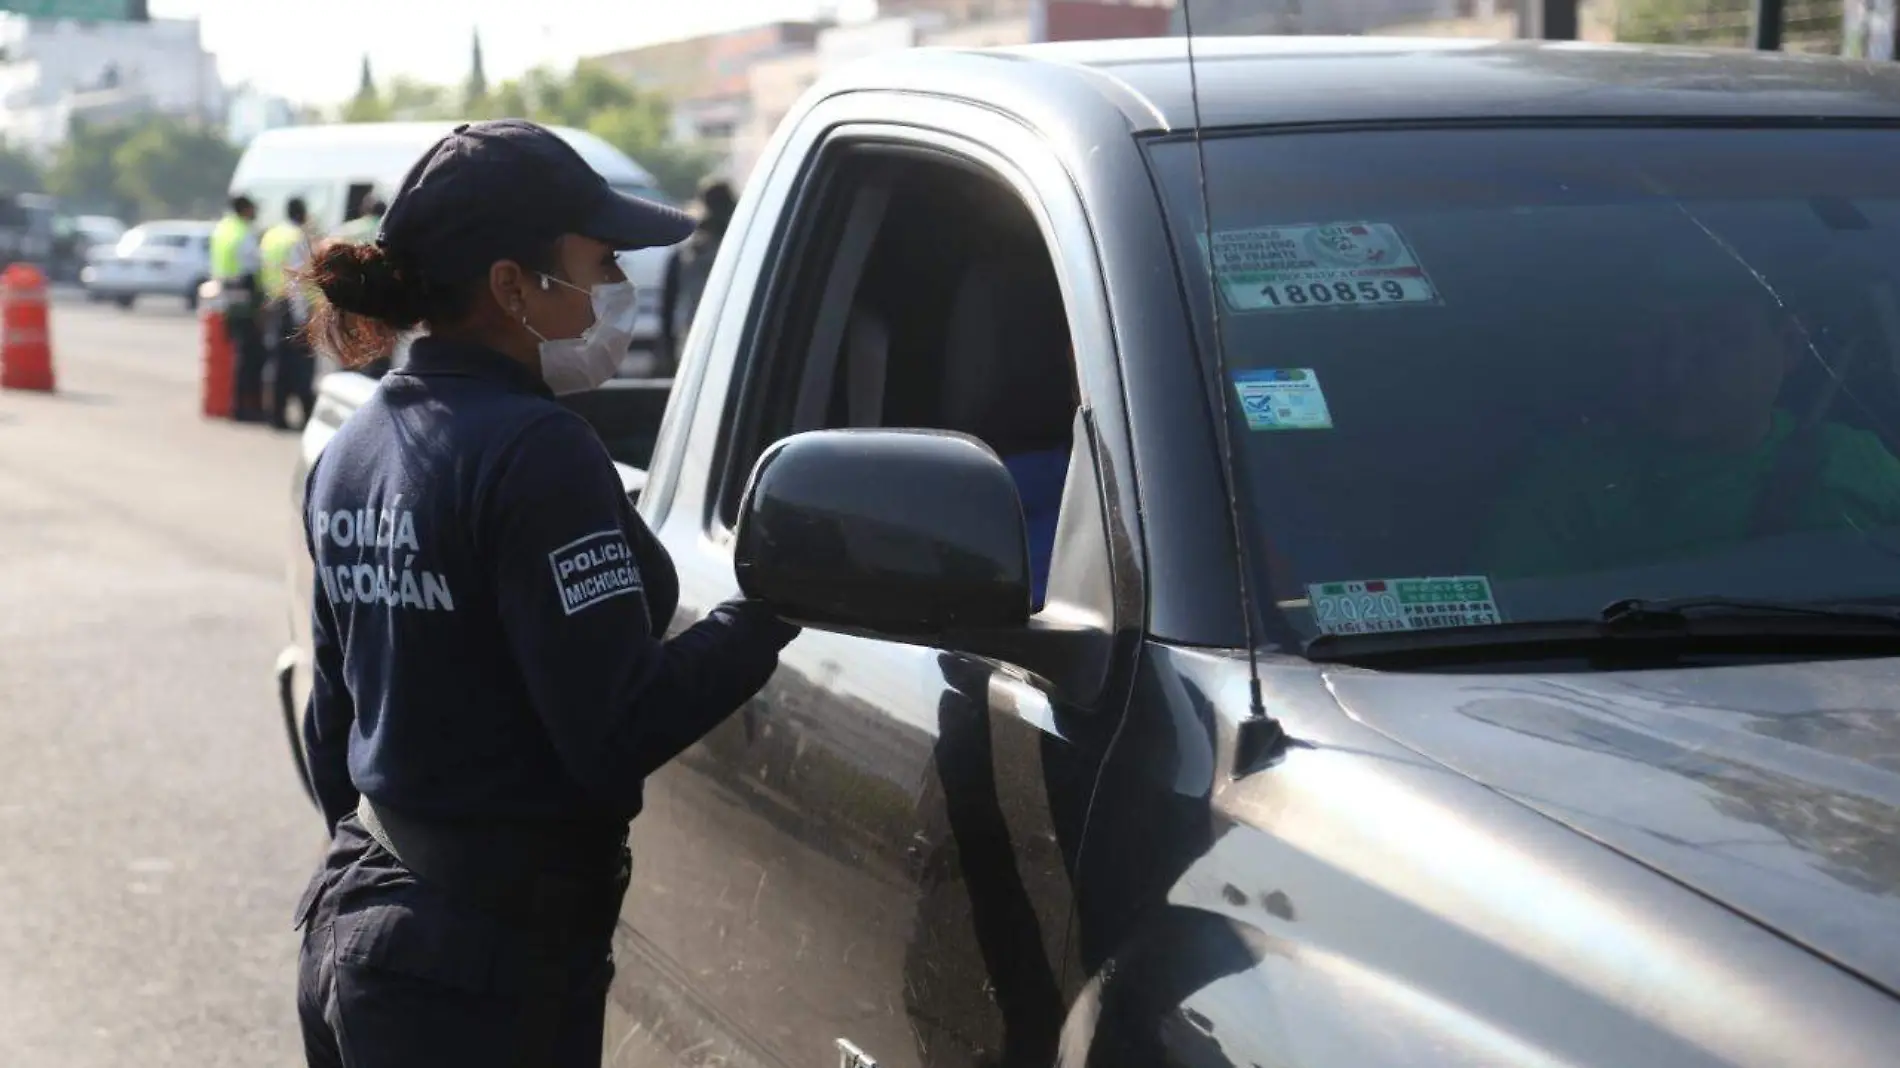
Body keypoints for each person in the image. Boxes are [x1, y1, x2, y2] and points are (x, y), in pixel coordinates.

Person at [290, 119, 802, 1068]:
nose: (615, 290)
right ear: (512, 287)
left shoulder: (358, 447)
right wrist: (766, 615)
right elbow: (614, 730)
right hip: (476, 984)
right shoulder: (537, 452)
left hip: (361, 936)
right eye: (599, 262)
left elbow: (333, 731)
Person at [1480, 292, 1900, 579]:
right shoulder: (1569, 480)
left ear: (1790, 344)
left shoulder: (1855, 462)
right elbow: (1521, 616)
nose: (1676, 368)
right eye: (1655, 340)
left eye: (1718, 337)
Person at [656, 177, 736, 373]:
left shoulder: (686, 251)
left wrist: (666, 348)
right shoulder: (742, 248)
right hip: (733, 340)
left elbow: (668, 305)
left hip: (693, 339)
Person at [260, 196, 318, 429]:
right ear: (302, 214)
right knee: (302, 366)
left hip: (274, 304)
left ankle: (276, 416)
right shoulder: (297, 239)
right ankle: (306, 417)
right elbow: (297, 281)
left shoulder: (271, 236)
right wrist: (303, 316)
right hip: (293, 309)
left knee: (278, 363)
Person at [210, 194, 268, 421]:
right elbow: (252, 267)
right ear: (245, 209)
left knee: (239, 353)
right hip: (245, 296)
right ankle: (246, 407)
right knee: (250, 355)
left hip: (227, 296)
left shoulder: (223, 229)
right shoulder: (244, 233)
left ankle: (237, 404)